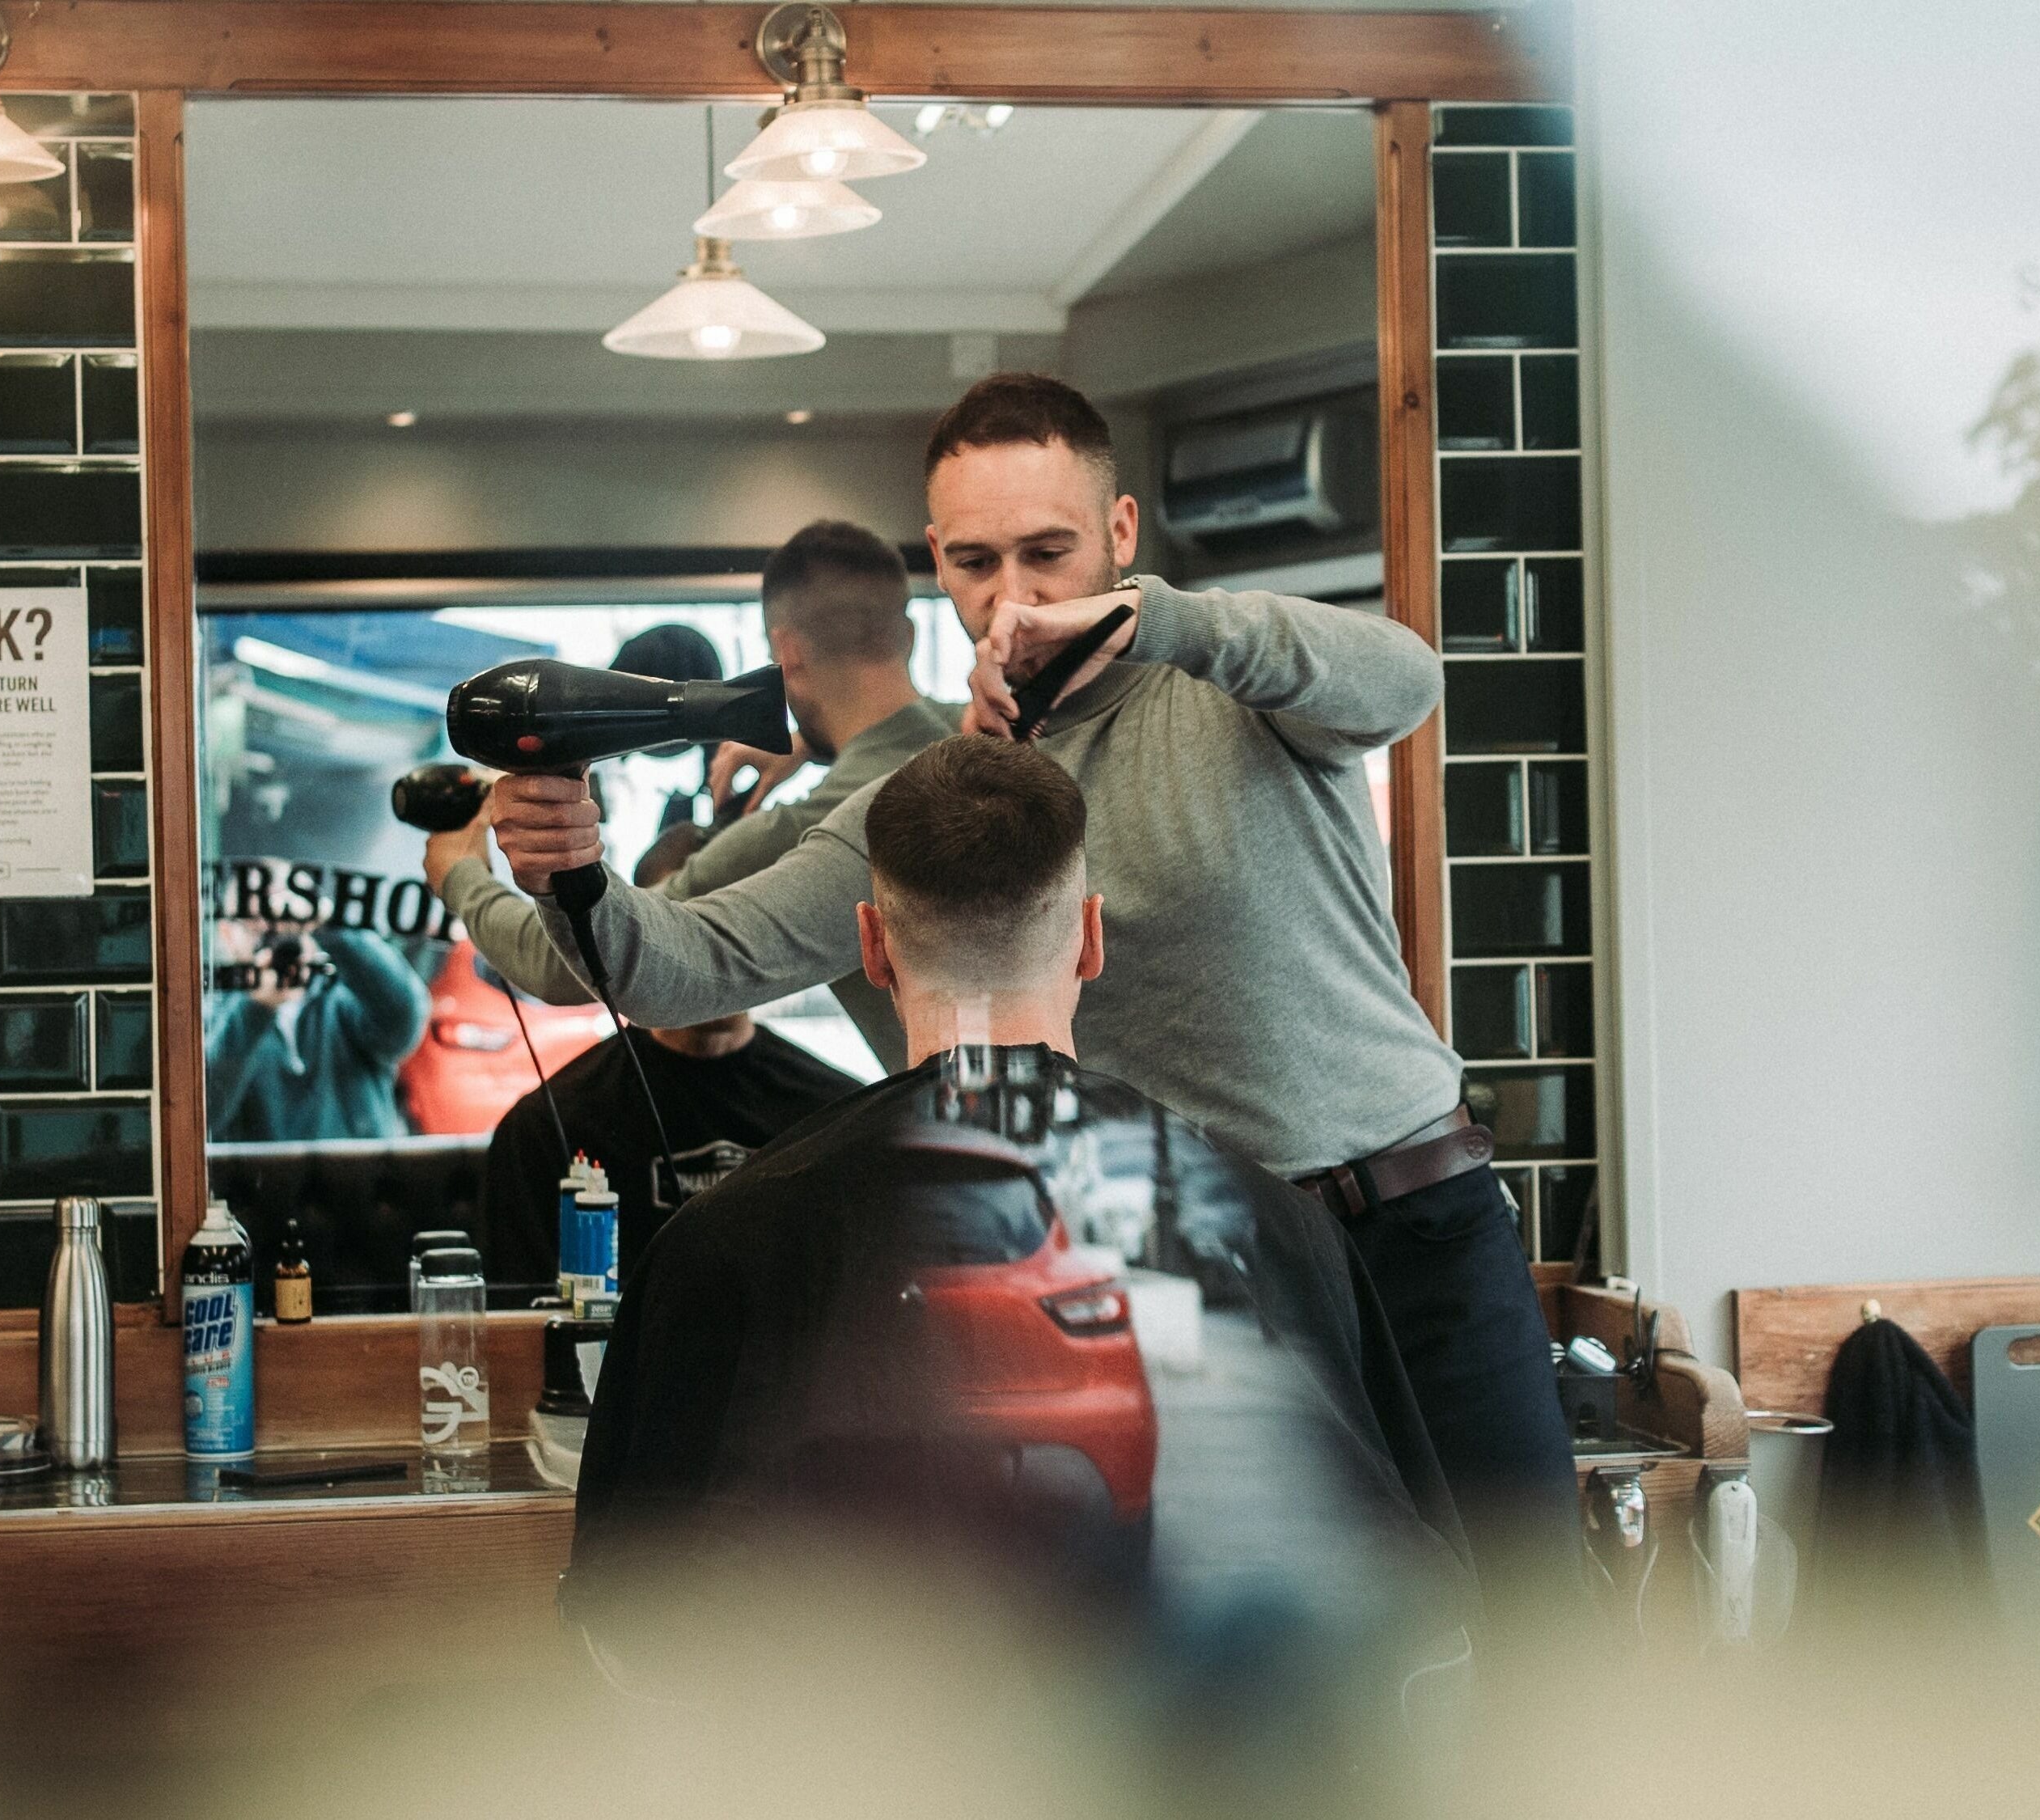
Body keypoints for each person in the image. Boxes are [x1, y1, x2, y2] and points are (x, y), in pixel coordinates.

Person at [489, 375, 1579, 1585]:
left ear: (1119, 534)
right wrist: (574, 868)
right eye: (972, 562)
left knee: (1530, 1643)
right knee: (1252, 1689)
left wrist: (1159, 622)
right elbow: (685, 964)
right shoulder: (944, 809)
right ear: (935, 568)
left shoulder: (1240, 692)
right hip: (1196, 1283)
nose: (1011, 597)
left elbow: (1406, 682)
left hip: (1412, 1234)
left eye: (1049, 551)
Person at [567, 739, 1477, 1727]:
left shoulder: (721, 1240)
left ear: (872, 948)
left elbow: (631, 1636)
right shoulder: (1276, 1224)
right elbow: (1409, 1621)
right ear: (1091, 938)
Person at [430, 522, 957, 1064]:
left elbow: (565, 965)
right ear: (909, 635)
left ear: (786, 650)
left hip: (954, 1125)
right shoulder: (989, 742)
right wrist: (815, 744)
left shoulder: (806, 830)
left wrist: (461, 877)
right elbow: (912, 735)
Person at [478, 832, 859, 1285]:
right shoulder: (549, 1127)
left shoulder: (836, 1116)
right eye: (688, 935)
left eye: (731, 933)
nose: (712, 959)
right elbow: (521, 1322)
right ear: (638, 943)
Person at [202, 921, 430, 1142]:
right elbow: (202, 1114)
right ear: (227, 933)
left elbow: (405, 1019)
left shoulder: (349, 997)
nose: (275, 935)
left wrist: (330, 926)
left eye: (286, 921)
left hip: (361, 1179)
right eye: (256, 924)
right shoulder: (212, 1016)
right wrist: (255, 1009)